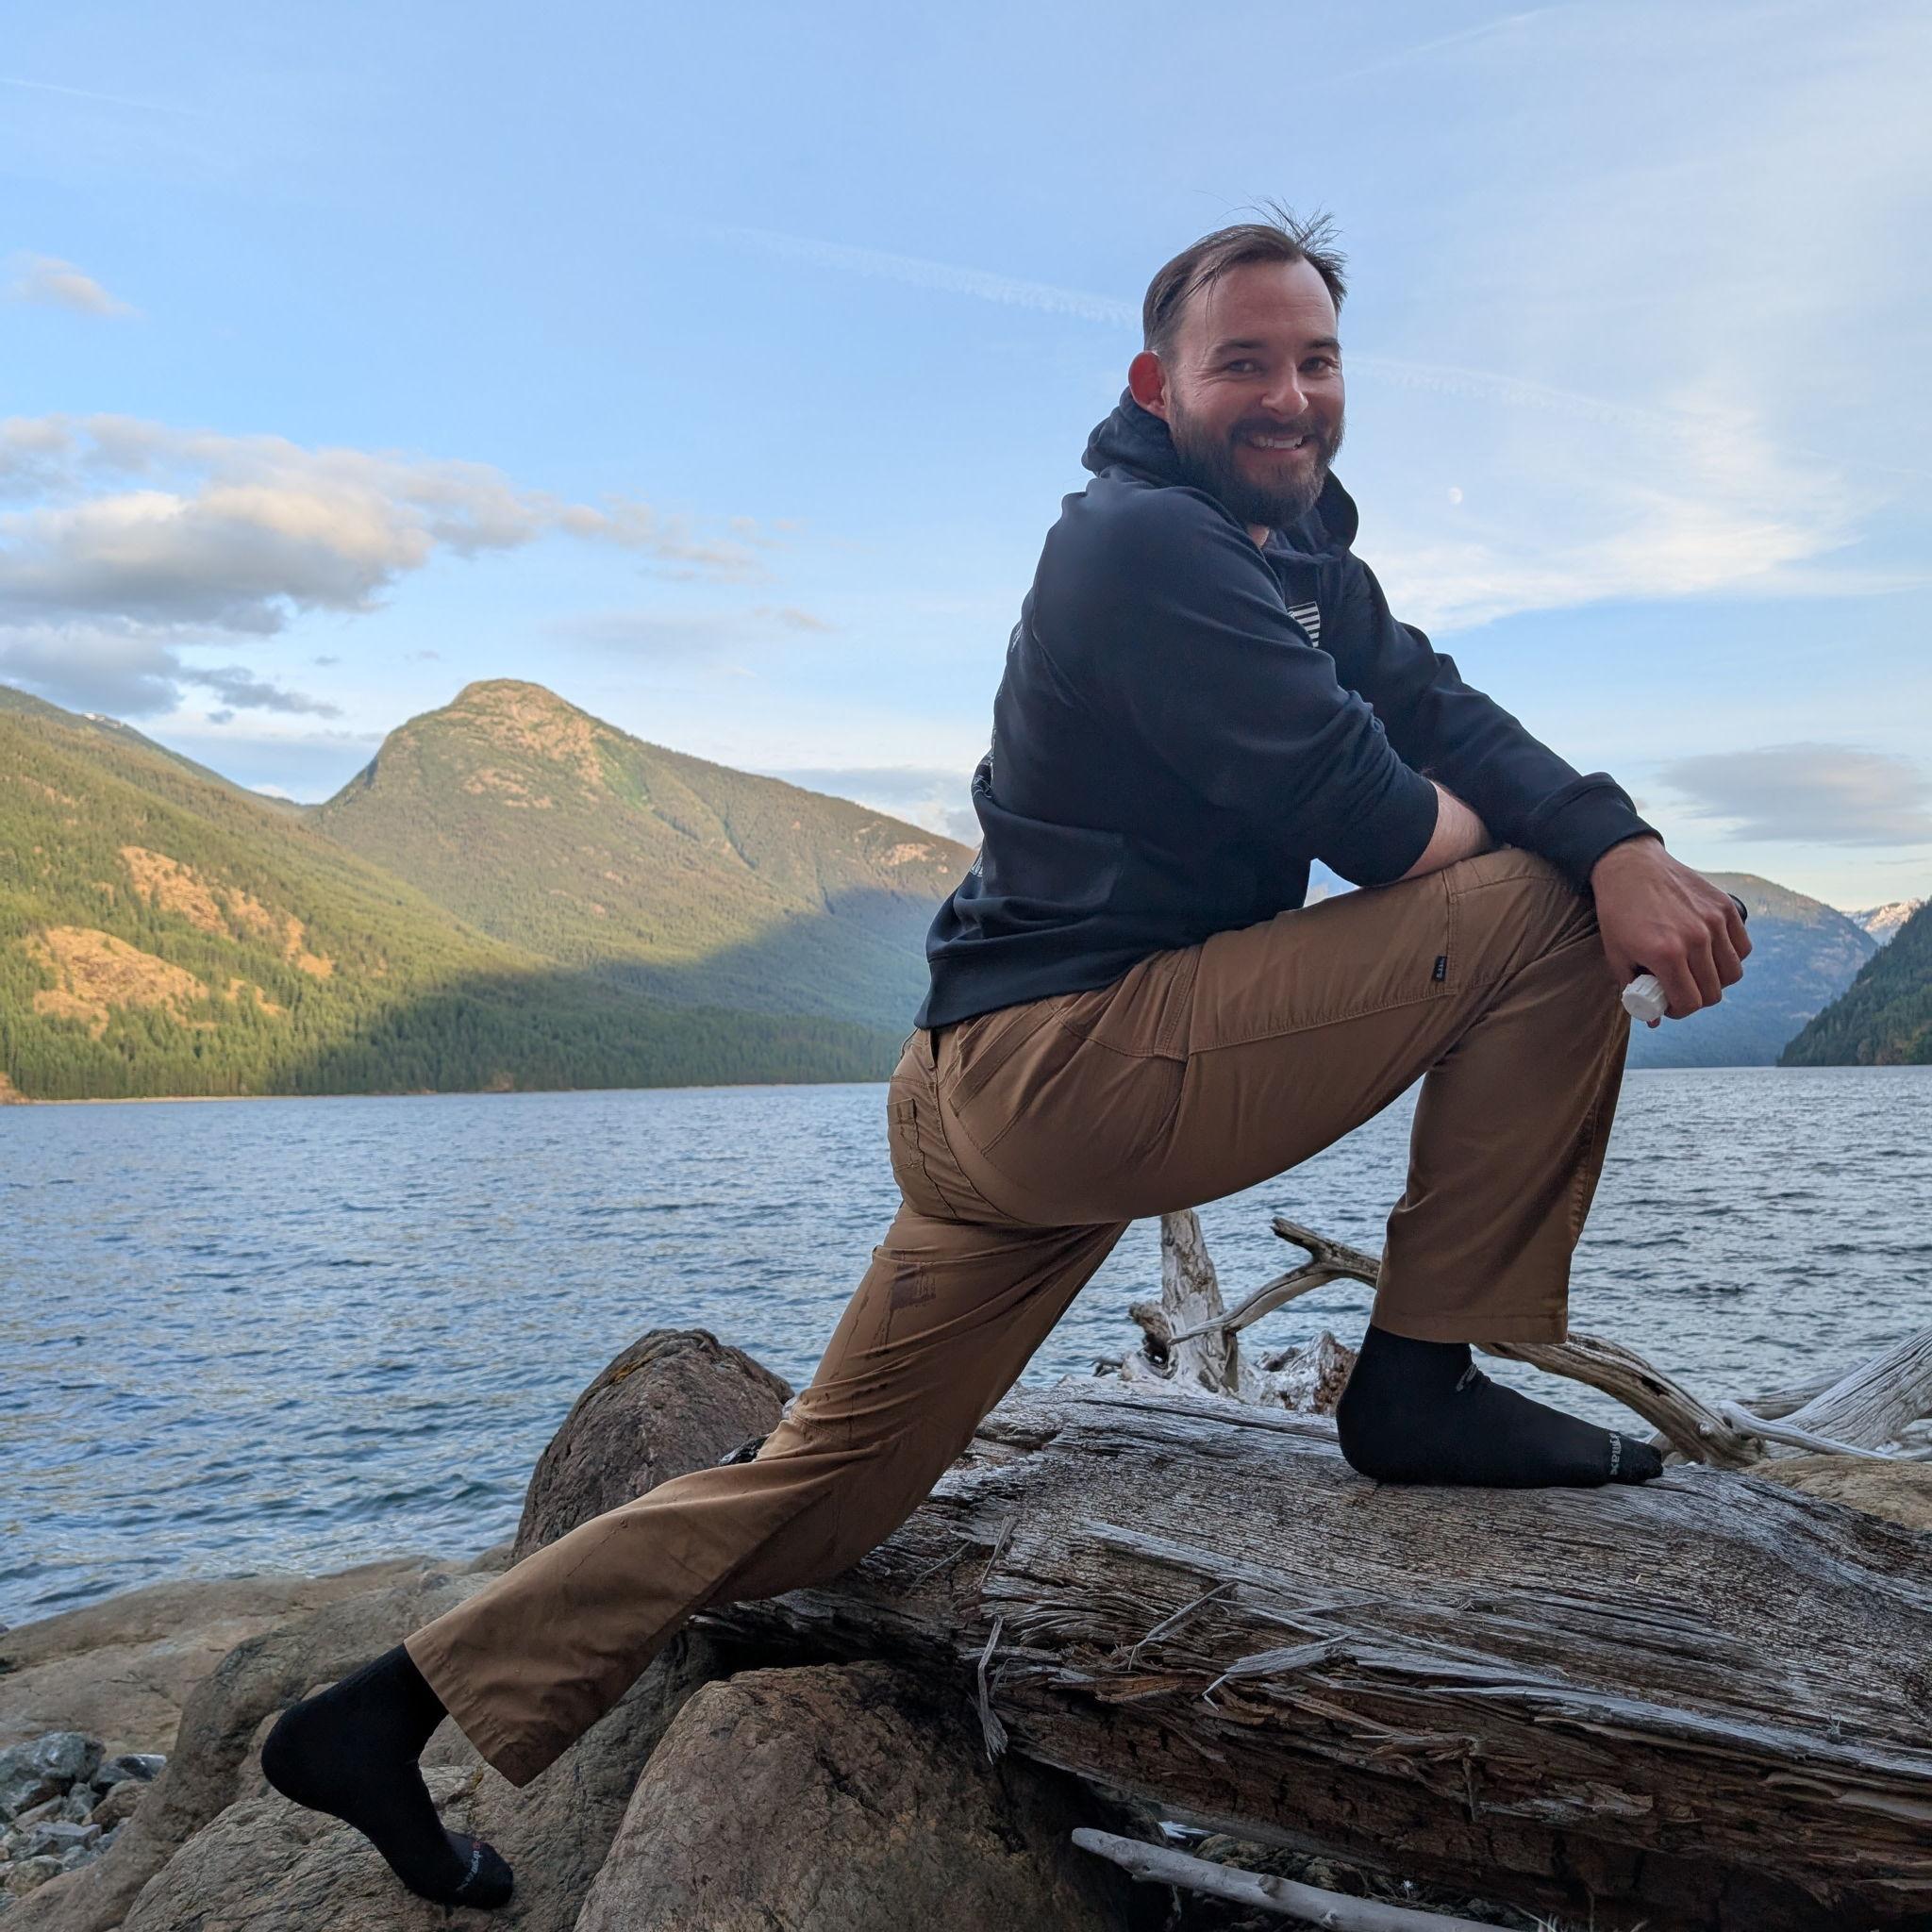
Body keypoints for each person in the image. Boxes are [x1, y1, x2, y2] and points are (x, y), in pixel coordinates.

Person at [260, 209, 1750, 1908]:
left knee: (823, 1498)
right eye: (1243, 361)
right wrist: (1591, 863)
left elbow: (1439, 705)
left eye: (1315, 359)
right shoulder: (1145, 549)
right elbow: (1392, 823)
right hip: (1075, 1074)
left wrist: (1616, 825)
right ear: (1156, 381)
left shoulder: (1307, 564)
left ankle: (382, 1713)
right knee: (1539, 907)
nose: (1288, 394)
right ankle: (1418, 1383)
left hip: (987, 1088)